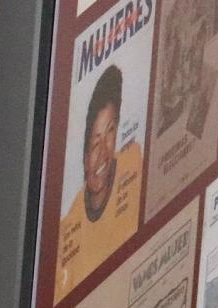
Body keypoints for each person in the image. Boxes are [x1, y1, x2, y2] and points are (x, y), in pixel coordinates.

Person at [56, 65, 143, 295]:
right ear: (84, 158)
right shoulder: (68, 229)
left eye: (110, 131)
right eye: (95, 143)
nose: (104, 151)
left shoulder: (133, 162)